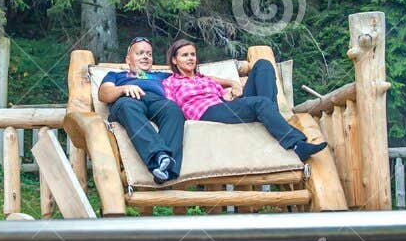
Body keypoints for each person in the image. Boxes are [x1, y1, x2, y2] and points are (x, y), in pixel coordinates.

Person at [162, 38, 327, 161]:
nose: (191, 58)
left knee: (263, 64)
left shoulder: (204, 79)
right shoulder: (170, 82)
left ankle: (271, 115)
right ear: (175, 60)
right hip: (206, 112)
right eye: (185, 55)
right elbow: (170, 108)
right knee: (261, 103)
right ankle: (297, 144)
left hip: (224, 105)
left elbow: (225, 94)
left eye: (193, 54)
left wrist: (234, 87)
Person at [98, 37, 184, 183]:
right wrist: (124, 88)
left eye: (149, 54)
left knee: (173, 109)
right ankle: (159, 156)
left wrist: (230, 84)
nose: (146, 56)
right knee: (127, 107)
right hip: (128, 99)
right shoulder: (116, 75)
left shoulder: (162, 76)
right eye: (140, 53)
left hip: (157, 101)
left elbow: (194, 78)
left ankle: (165, 169)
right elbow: (103, 94)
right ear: (128, 59)